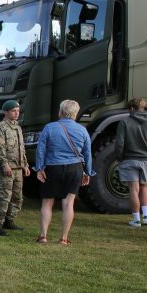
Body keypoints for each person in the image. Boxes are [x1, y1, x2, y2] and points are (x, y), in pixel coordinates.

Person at [34, 99, 93, 245]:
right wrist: (88, 172)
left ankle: (43, 235)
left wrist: (40, 168)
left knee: (47, 202)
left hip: (53, 167)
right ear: (75, 113)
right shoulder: (82, 130)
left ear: (60, 111)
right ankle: (64, 238)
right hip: (74, 168)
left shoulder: (50, 127)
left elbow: (40, 149)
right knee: (68, 203)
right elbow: (87, 154)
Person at [115, 97, 147, 227]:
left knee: (133, 189)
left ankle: (136, 219)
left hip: (129, 159)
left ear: (131, 108)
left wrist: (119, 157)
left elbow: (119, 143)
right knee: (144, 187)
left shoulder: (125, 122)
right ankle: (146, 217)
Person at [0, 100, 30, 235]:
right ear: (6, 112)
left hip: (18, 168)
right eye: (13, 111)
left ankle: (9, 220)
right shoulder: (0, 127)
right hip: (6, 168)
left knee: (17, 197)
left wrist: (25, 165)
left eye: (18, 111)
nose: (16, 113)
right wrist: (4, 164)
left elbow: (21, 148)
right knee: (3, 196)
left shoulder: (17, 127)